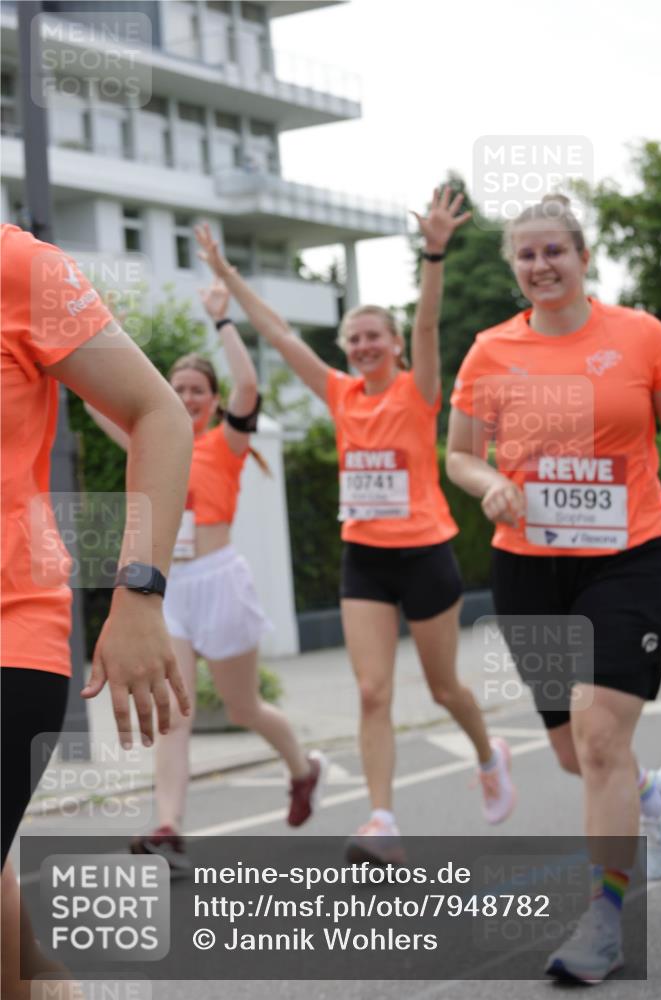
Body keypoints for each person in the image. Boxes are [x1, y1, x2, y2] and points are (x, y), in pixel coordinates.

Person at [194, 188, 517, 866]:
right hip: (363, 558)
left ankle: (489, 754)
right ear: (345, 348)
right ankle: (381, 820)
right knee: (371, 690)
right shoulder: (339, 392)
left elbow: (429, 326)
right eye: (355, 338)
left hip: (426, 552)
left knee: (441, 688)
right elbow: (279, 332)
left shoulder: (417, 391)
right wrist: (224, 275)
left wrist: (432, 253)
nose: (365, 345)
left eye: (376, 336)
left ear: (395, 347)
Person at [446, 194, 661, 983]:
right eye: (526, 256)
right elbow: (460, 455)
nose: (540, 266)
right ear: (515, 267)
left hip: (627, 557)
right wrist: (486, 485)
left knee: (600, 736)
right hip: (528, 566)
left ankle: (603, 920)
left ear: (581, 255)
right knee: (578, 755)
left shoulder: (640, 337)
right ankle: (649, 793)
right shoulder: (488, 351)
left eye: (553, 252)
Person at [1, 224, 192, 996]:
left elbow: (159, 414)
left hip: (8, 636)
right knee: (18, 962)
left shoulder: (19, 267)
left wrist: (139, 596)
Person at [87, 280, 326, 872]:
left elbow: (249, 384)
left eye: (196, 391)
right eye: (177, 390)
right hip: (169, 590)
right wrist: (100, 334)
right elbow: (95, 402)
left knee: (244, 708)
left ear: (213, 402)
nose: (187, 398)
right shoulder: (153, 442)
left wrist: (221, 320)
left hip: (221, 580)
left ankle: (302, 768)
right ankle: (167, 826)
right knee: (177, 710)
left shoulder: (228, 442)